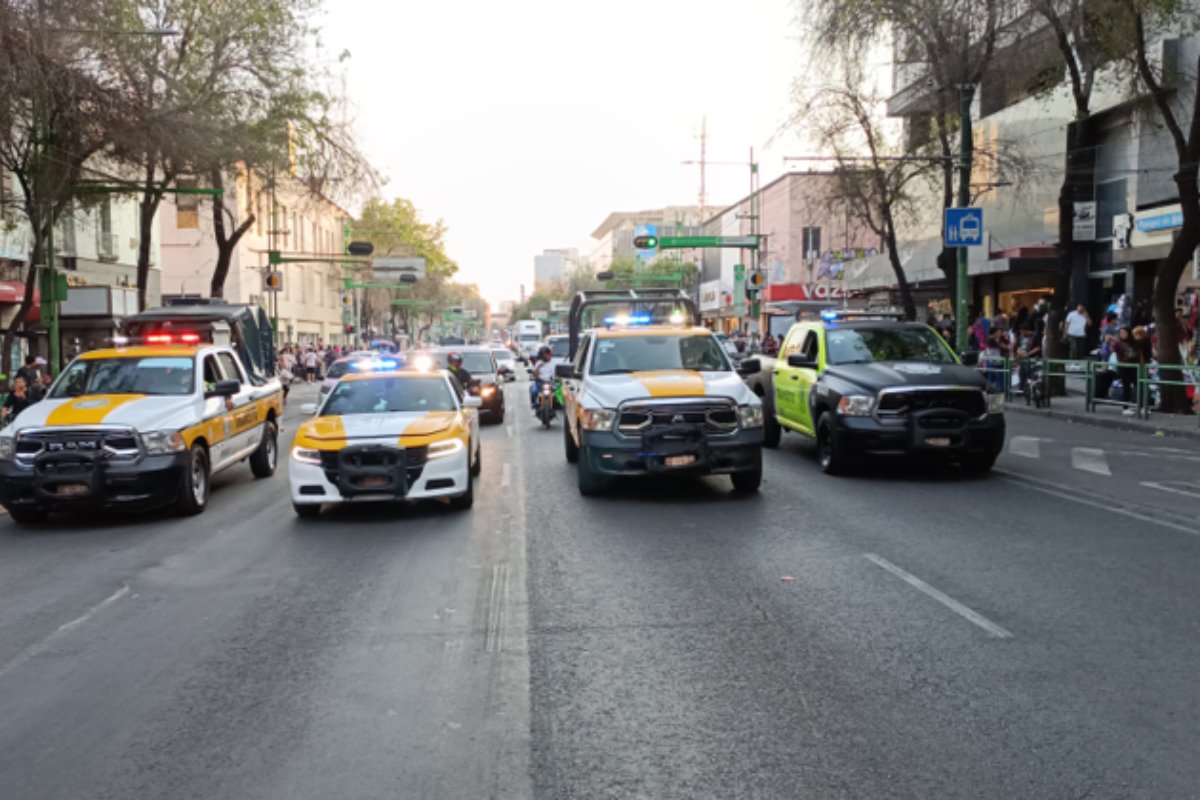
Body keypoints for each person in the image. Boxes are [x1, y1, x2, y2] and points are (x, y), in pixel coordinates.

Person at [529, 345, 555, 410]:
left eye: (545, 354)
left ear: (549, 354)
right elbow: (534, 374)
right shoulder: (539, 363)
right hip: (540, 382)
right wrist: (538, 367)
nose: (544, 356)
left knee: (560, 392)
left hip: (551, 382)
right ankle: (534, 403)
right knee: (533, 390)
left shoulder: (554, 363)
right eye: (542, 355)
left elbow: (557, 375)